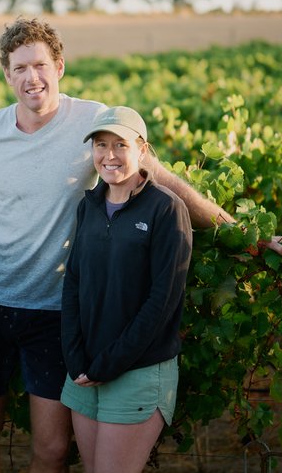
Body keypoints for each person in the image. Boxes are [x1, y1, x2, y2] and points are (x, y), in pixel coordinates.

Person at [0, 17, 282, 473]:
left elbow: (165, 180)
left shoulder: (94, 121)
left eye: (39, 65)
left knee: (52, 449)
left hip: (55, 310)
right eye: (19, 69)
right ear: (7, 75)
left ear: (59, 67)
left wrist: (239, 233)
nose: (31, 78)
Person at [61, 106, 192, 472]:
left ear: (142, 150)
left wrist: (110, 364)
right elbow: (73, 282)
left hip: (137, 371)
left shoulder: (166, 210)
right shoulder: (88, 207)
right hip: (85, 372)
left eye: (121, 145)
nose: (109, 155)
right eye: (101, 145)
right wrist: (75, 357)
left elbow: (161, 302)